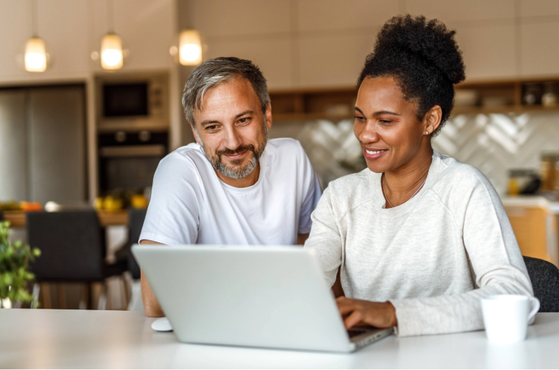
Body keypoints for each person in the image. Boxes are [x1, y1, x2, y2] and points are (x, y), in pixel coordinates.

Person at [304, 15, 534, 337]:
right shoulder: (341, 197)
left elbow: (515, 295)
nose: (365, 135)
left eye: (385, 121)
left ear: (429, 120)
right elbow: (306, 284)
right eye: (360, 118)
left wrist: (393, 313)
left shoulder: (463, 188)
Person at [140, 57, 322, 317]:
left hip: (278, 321)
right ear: (195, 133)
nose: (232, 142)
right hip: (201, 332)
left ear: (266, 115)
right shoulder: (179, 171)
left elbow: (316, 255)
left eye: (243, 120)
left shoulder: (293, 158)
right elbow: (156, 301)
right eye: (213, 127)